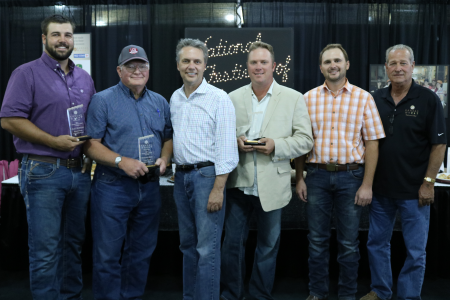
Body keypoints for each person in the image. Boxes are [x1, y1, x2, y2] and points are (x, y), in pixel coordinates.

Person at [0, 15, 95, 300]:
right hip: (43, 171)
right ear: (44, 39)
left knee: (73, 245)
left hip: (79, 173)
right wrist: (53, 141)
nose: (62, 40)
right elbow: (9, 119)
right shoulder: (26, 73)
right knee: (45, 249)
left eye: (67, 35)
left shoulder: (84, 78)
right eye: (55, 35)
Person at [221, 41, 314, 300]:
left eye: (264, 62)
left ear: (274, 66)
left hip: (274, 185)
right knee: (231, 245)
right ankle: (231, 295)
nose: (258, 67)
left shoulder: (294, 98)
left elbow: (305, 140)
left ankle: (260, 295)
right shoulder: (232, 98)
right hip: (239, 183)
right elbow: (222, 136)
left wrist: (276, 145)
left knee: (268, 246)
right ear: (247, 67)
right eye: (254, 62)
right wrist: (235, 141)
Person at [295, 43, 385, 300]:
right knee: (317, 241)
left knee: (348, 244)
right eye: (327, 62)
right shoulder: (307, 99)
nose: (332, 65)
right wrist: (300, 177)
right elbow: (302, 142)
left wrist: (367, 184)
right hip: (317, 176)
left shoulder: (364, 98)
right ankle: (317, 293)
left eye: (337, 60)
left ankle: (347, 295)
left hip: (352, 177)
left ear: (347, 65)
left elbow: (373, 143)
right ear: (320, 67)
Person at [83, 45, 173, 299]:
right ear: (119, 70)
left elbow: (168, 137)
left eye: (141, 65)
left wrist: (165, 158)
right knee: (107, 254)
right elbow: (90, 145)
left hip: (150, 187)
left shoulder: (160, 101)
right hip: (113, 187)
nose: (137, 71)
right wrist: (121, 161)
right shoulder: (102, 100)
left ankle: (131, 295)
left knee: (141, 251)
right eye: (130, 66)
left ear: (148, 69)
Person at [361, 44, 446, 300]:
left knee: (416, 251)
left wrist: (429, 182)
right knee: (376, 244)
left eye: (403, 63)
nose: (398, 68)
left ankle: (409, 296)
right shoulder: (374, 99)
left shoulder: (428, 99)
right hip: (381, 190)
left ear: (412, 67)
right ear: (386, 67)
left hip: (415, 191)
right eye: (393, 63)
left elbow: (439, 144)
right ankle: (381, 291)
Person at [170, 38, 239, 300]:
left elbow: (227, 148)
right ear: (178, 65)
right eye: (186, 61)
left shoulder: (219, 98)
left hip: (207, 178)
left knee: (207, 249)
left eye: (197, 61)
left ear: (205, 65)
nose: (191, 66)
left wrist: (218, 189)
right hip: (181, 177)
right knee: (187, 246)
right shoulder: (175, 98)